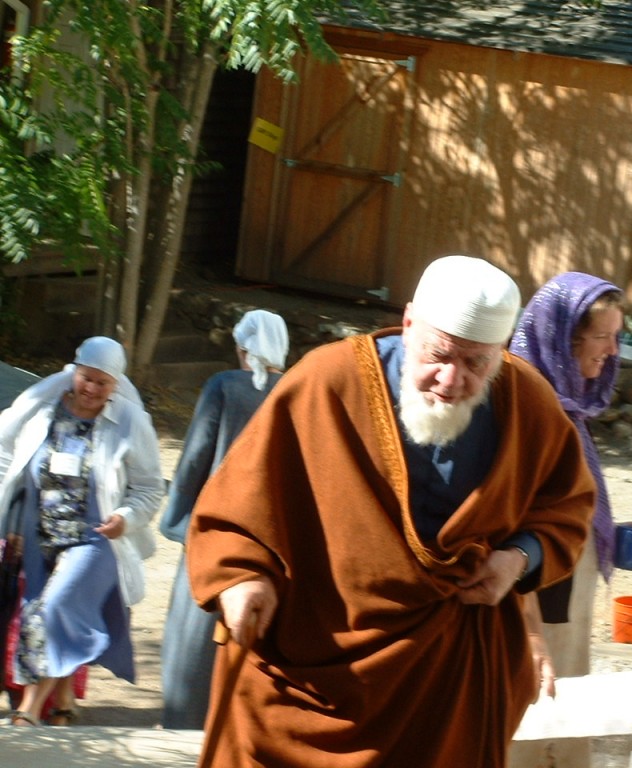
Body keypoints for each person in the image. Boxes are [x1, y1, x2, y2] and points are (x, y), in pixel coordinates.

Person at [186, 255, 595, 766]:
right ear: (407, 323)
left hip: (445, 677)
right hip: (316, 665)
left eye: (476, 364)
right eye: (438, 355)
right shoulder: (326, 383)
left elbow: (567, 506)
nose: (451, 380)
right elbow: (240, 503)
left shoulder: (527, 404)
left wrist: (519, 559)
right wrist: (242, 578)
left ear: (501, 352)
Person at [0, 337, 163, 726]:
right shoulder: (41, 408)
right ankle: (65, 699)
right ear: (74, 372)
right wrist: (11, 522)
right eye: (86, 378)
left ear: (116, 385)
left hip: (96, 538)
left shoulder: (130, 422)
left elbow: (150, 487)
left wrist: (126, 517)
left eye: (102, 383)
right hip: (39, 535)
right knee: (41, 611)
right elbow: (7, 455)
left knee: (56, 607)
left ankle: (29, 710)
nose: (91, 389)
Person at [507, 271, 623, 768]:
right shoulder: (528, 411)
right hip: (536, 597)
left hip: (566, 596)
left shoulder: (570, 412)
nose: (612, 350)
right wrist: (530, 627)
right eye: (601, 336)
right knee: (532, 710)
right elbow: (511, 521)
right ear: (562, 337)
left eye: (616, 336)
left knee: (566, 697)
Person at [159, 309, 289, 729]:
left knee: (192, 641)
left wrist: (178, 521)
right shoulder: (298, 392)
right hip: (273, 546)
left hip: (214, 534)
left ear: (242, 348)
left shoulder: (224, 387)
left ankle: (185, 728)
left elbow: (195, 458)